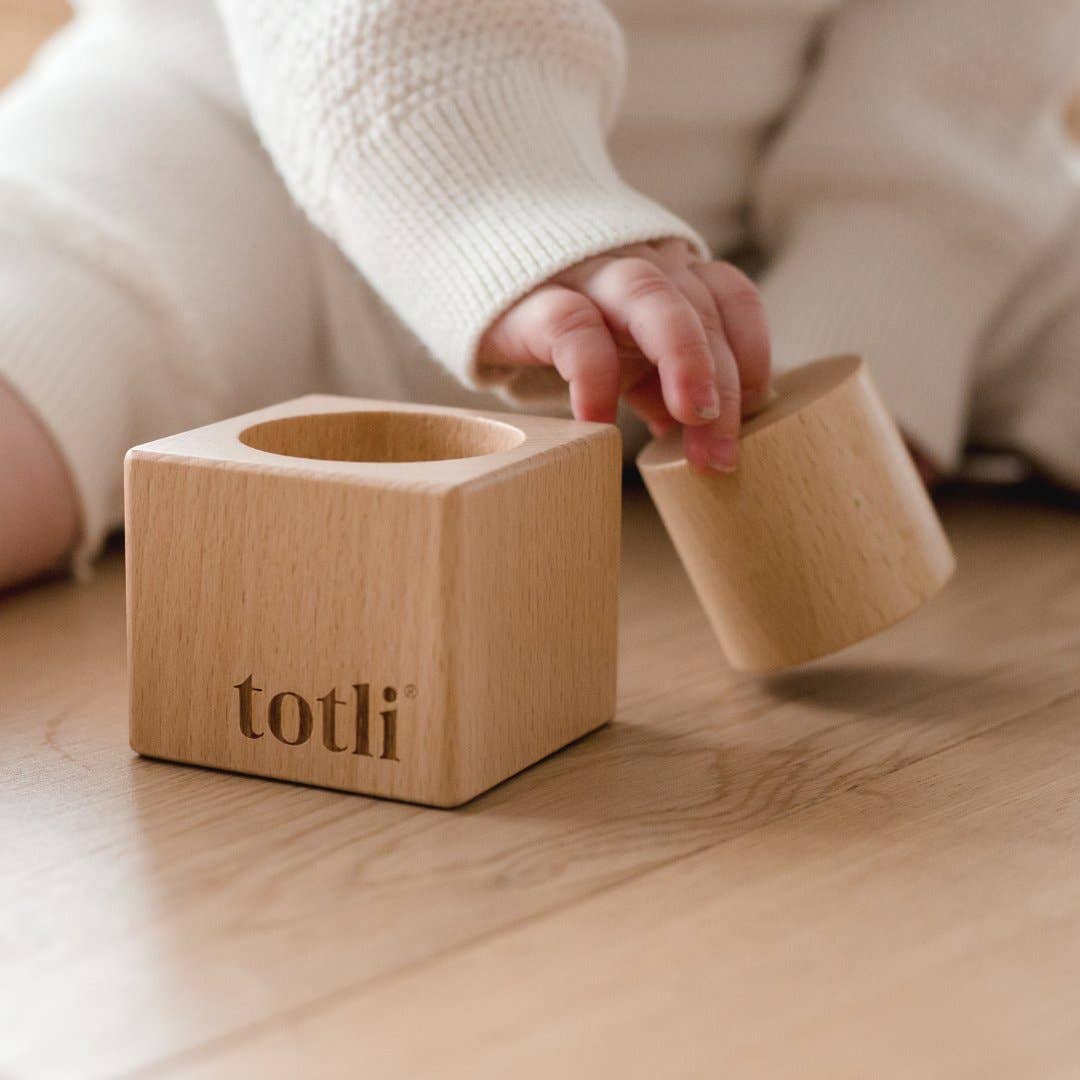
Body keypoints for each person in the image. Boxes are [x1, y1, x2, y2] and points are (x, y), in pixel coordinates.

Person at [1, 0, 1078, 592]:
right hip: (263, 132)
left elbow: (974, 45)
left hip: (765, 206)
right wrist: (499, 193)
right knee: (46, 299)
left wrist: (885, 290)